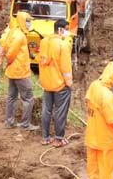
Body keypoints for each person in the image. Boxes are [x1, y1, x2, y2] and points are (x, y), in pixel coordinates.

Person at [0, 11, 39, 131]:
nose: (30, 23)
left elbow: (4, 46)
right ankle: (25, 124)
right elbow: (10, 54)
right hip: (20, 72)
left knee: (12, 97)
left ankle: (9, 122)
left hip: (13, 71)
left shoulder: (13, 31)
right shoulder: (19, 36)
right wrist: (9, 62)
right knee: (28, 97)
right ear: (22, 21)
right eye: (28, 21)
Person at [38, 19, 73, 147]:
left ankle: (45, 138)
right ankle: (59, 138)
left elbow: (40, 61)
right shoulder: (62, 45)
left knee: (46, 110)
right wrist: (69, 83)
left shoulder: (43, 42)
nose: (67, 32)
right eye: (66, 29)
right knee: (60, 111)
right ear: (60, 29)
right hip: (60, 85)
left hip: (46, 83)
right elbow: (66, 68)